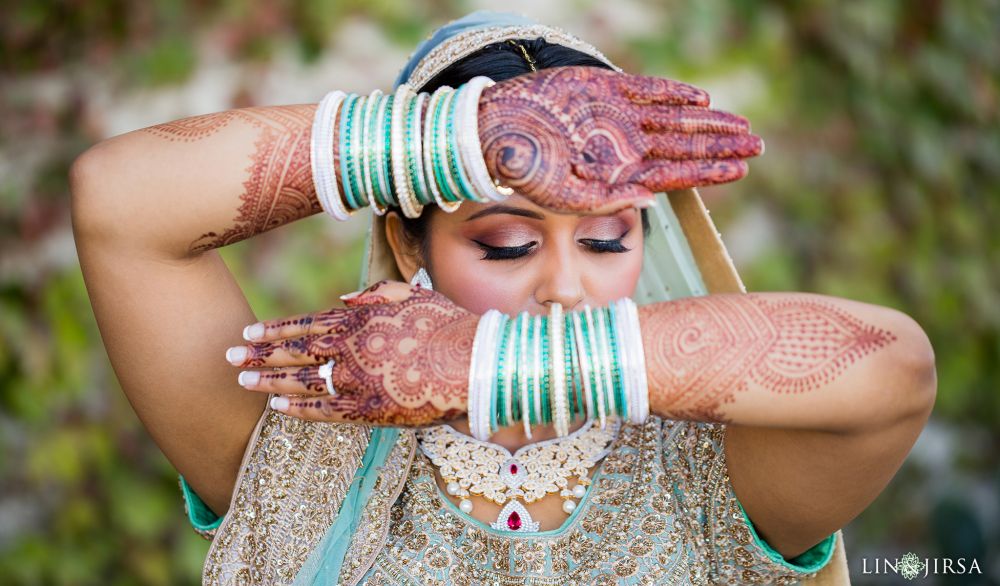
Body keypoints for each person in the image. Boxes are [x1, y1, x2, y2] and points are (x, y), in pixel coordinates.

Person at [70, 10, 935, 585]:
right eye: (506, 242)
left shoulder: (712, 470)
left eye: (607, 239)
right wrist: (465, 135)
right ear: (409, 242)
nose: (566, 284)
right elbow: (117, 199)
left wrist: (480, 363)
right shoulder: (299, 431)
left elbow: (893, 372)